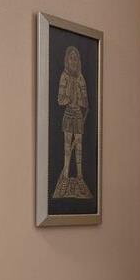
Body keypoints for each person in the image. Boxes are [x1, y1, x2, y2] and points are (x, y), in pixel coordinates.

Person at [53, 45, 93, 200]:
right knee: (67, 148)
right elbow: (60, 99)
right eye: (71, 58)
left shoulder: (80, 78)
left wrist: (81, 99)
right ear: (67, 60)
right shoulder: (64, 76)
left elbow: (85, 103)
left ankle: (80, 178)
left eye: (76, 58)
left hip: (77, 115)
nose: (73, 61)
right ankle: (64, 178)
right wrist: (69, 97)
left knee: (79, 149)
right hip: (68, 113)